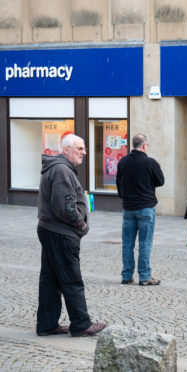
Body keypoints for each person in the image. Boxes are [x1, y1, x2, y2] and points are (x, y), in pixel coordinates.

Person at [37, 134, 105, 337]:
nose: (84, 152)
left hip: (51, 229)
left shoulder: (59, 168)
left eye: (84, 148)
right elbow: (65, 208)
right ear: (66, 150)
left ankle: (47, 325)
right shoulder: (61, 169)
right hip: (60, 232)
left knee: (50, 279)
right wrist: (81, 224)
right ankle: (81, 324)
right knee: (71, 278)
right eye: (80, 148)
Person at [116, 134, 165, 286]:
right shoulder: (150, 162)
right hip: (145, 208)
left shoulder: (123, 162)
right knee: (145, 243)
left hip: (128, 208)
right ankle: (144, 276)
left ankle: (126, 275)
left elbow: (119, 183)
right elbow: (161, 181)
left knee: (127, 243)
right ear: (144, 145)